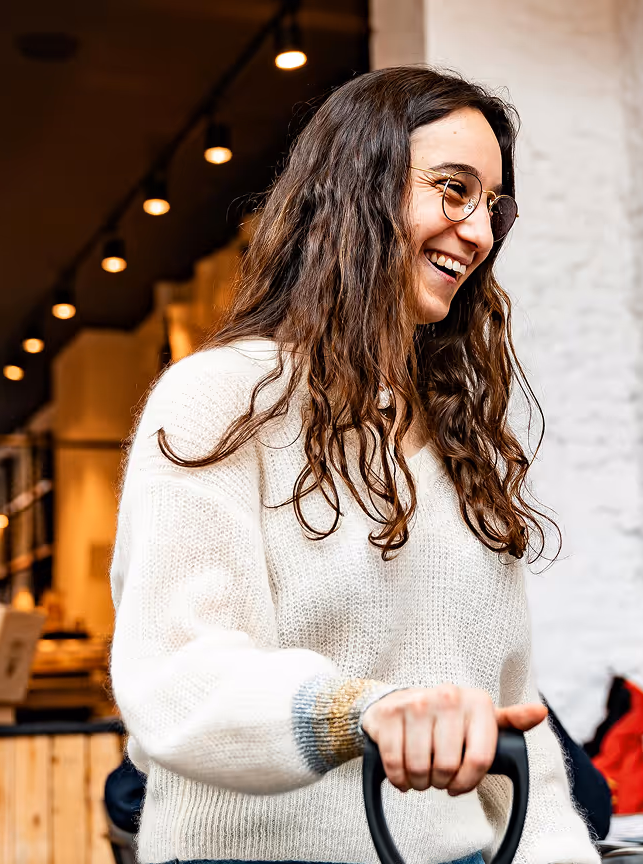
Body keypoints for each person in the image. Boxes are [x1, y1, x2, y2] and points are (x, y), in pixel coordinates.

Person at [108, 67, 599, 864]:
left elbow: (519, 736)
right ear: (356, 191)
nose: (477, 231)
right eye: (451, 188)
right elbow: (178, 675)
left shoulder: (459, 444)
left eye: (491, 206)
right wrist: (361, 714)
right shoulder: (220, 400)